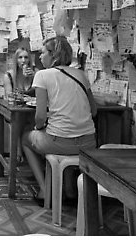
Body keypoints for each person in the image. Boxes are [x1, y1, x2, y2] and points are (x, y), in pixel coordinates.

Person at [21, 36, 98, 201]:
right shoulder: (81, 75)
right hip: (89, 142)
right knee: (67, 137)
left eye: (42, 53)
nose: (40, 57)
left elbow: (40, 116)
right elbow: (94, 111)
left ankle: (44, 189)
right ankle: (69, 190)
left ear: (53, 55)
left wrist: (39, 127)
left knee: (25, 139)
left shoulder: (42, 75)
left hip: (60, 142)